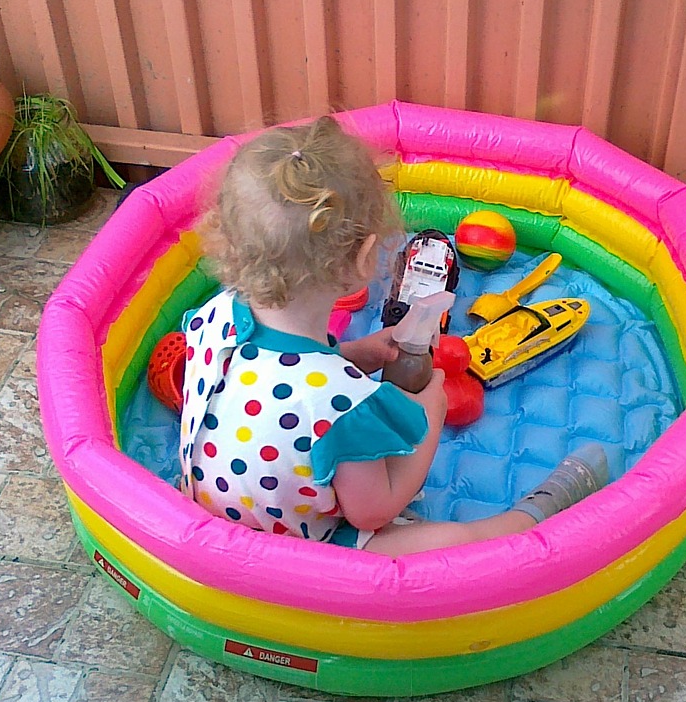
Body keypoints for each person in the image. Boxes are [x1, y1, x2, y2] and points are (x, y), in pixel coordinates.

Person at [179, 116, 607, 556]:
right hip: (297, 554)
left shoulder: (216, 316)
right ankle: (534, 515)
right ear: (365, 257)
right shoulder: (340, 404)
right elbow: (373, 511)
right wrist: (431, 415)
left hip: (209, 519)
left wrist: (356, 353)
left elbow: (276, 378)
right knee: (461, 545)